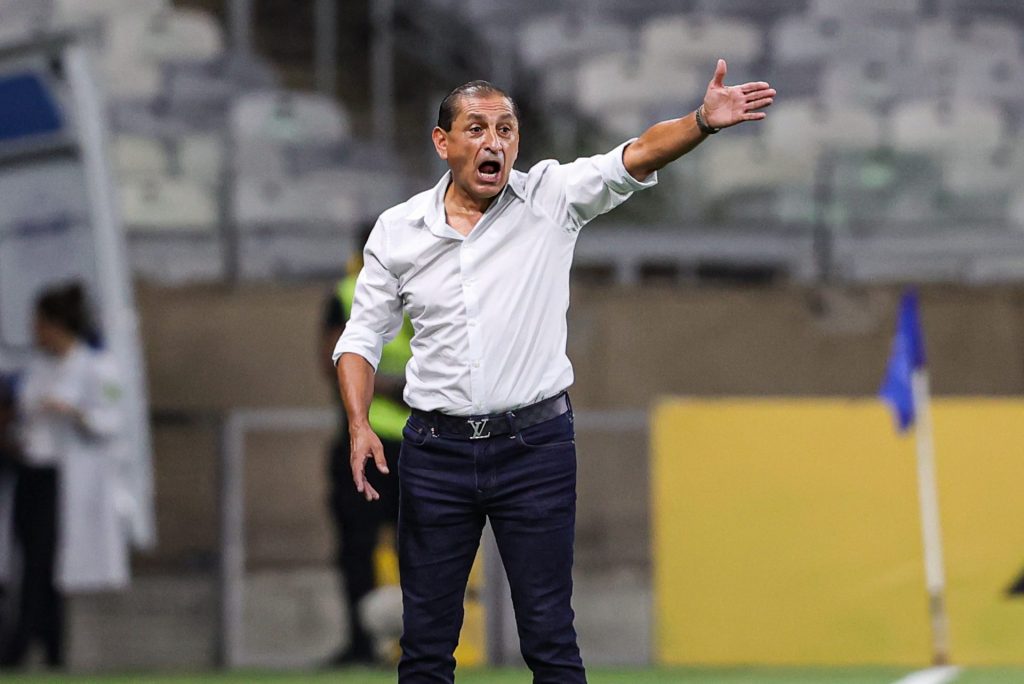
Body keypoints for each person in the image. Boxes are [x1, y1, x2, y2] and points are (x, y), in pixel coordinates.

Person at [334, 60, 775, 682]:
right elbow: (360, 338)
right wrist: (358, 424)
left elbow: (637, 154)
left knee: (548, 633)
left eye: (507, 129)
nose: (496, 141)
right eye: (478, 127)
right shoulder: (398, 231)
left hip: (533, 447)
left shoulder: (551, 196)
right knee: (427, 641)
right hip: (434, 452)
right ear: (443, 142)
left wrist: (701, 122)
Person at [0, 283, 129, 669]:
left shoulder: (96, 367)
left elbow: (110, 420)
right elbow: (23, 415)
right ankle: (43, 643)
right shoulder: (38, 368)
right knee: (29, 560)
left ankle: (29, 644)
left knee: (47, 564)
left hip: (67, 479)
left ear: (57, 325)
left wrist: (74, 412)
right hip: (31, 470)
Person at [321, 228, 412, 665]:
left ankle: (419, 644)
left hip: (419, 442)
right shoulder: (349, 291)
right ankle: (362, 645)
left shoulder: (425, 280)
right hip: (367, 439)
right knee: (356, 547)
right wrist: (397, 387)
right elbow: (332, 357)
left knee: (423, 548)